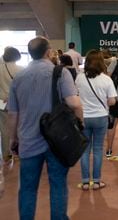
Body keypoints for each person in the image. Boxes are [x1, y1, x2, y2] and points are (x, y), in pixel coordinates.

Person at [7, 37, 83, 219]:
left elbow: (13, 114)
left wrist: (13, 139)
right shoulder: (60, 73)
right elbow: (74, 103)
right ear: (48, 52)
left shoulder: (18, 78)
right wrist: (80, 124)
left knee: (27, 187)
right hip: (57, 141)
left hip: (28, 140)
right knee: (57, 184)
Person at [75, 50, 117, 190]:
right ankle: (97, 181)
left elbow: (75, 96)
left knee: (85, 150)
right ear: (101, 62)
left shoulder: (80, 78)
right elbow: (112, 101)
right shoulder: (106, 79)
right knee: (98, 149)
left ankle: (85, 181)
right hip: (100, 117)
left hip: (83, 117)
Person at [0, 47, 23, 161]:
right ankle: (17, 153)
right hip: (18, 104)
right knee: (19, 128)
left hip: (2, 104)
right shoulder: (21, 69)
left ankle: (6, 155)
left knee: (4, 130)